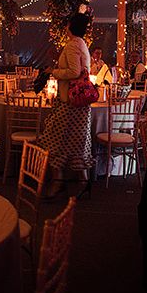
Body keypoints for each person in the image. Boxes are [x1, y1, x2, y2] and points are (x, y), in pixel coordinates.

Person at [38, 12, 94, 195]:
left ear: (70, 26)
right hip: (79, 103)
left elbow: (74, 71)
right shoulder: (82, 44)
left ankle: (58, 180)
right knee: (76, 142)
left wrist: (54, 72)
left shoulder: (72, 45)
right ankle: (81, 180)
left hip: (70, 102)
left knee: (54, 140)